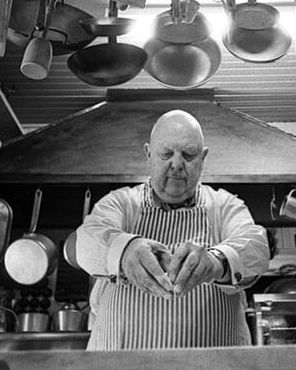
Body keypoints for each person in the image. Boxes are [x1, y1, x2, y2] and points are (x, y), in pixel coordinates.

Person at [74, 109, 269, 350]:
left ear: (203, 158)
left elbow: (256, 246)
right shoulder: (120, 203)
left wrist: (214, 261)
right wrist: (125, 251)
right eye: (166, 153)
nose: (176, 164)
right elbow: (85, 241)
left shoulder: (225, 206)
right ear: (148, 154)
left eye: (188, 155)